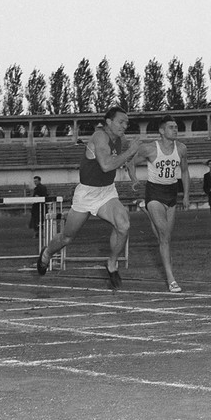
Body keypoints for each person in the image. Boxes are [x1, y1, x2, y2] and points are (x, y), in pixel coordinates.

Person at [36, 106, 140, 289]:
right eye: (121, 122)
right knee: (67, 238)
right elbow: (107, 165)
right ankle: (46, 253)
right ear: (108, 122)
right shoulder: (99, 136)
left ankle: (112, 264)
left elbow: (128, 158)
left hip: (107, 192)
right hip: (86, 193)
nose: (125, 126)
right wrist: (130, 152)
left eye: (127, 123)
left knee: (123, 225)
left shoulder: (120, 138)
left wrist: (133, 177)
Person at [134, 115, 189, 293]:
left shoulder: (181, 148)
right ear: (162, 131)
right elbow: (129, 162)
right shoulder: (150, 148)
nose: (175, 129)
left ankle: (145, 210)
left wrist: (186, 194)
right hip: (155, 193)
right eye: (171, 127)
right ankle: (171, 279)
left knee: (164, 237)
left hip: (172, 193)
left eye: (176, 127)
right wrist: (134, 179)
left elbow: (185, 171)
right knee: (164, 236)